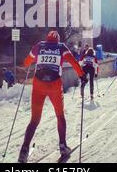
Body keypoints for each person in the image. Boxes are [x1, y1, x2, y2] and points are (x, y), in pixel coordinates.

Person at [18, 31, 86, 163]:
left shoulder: (39, 46)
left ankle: (24, 151)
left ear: (47, 39)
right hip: (54, 85)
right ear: (58, 39)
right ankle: (62, 146)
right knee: (60, 116)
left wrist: (26, 64)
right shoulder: (61, 47)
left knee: (34, 120)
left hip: (38, 85)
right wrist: (82, 76)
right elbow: (73, 62)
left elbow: (27, 62)